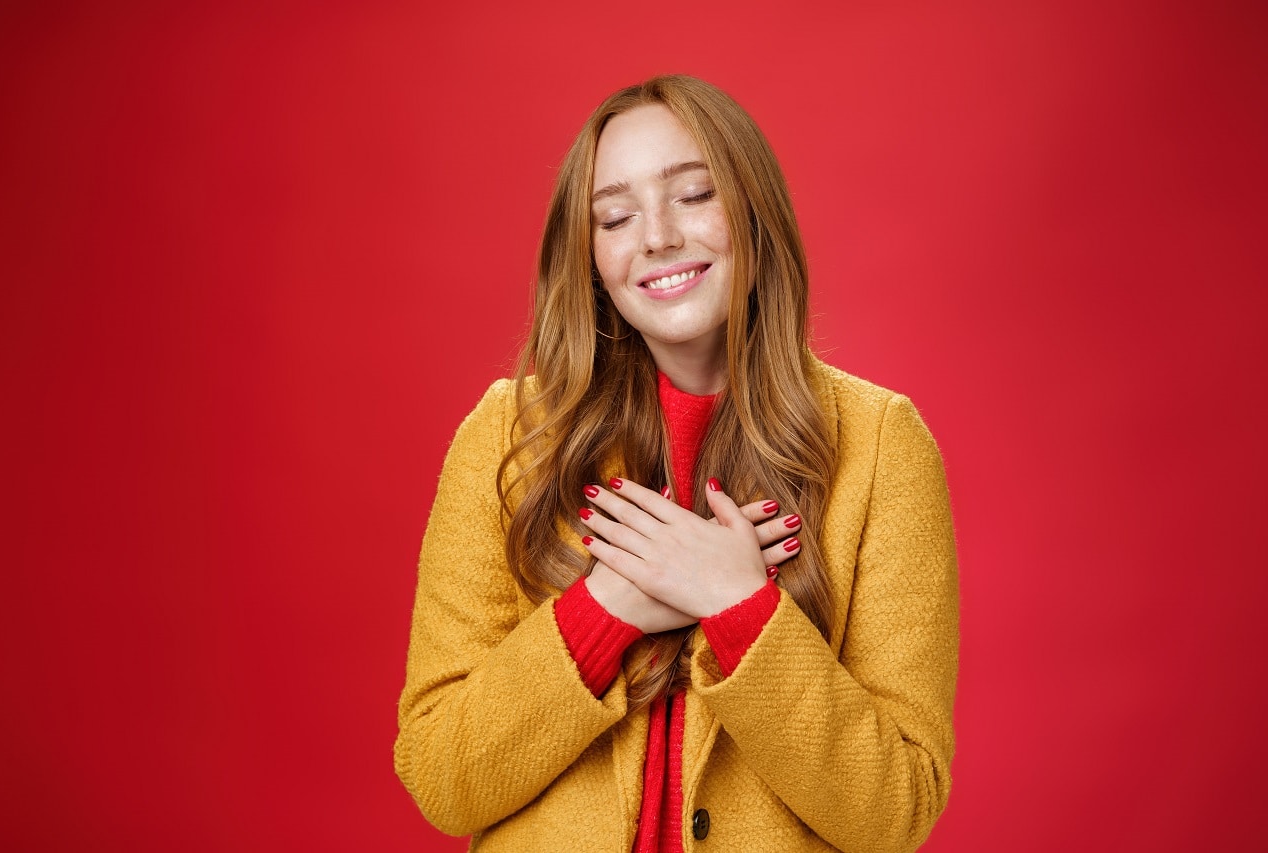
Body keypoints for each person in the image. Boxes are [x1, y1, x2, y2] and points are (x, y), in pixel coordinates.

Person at [394, 75, 959, 853]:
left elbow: (894, 809)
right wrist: (608, 608)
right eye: (616, 216)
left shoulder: (882, 444)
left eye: (693, 195)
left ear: (754, 212)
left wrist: (740, 607)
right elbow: (441, 773)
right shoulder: (507, 436)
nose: (656, 236)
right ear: (591, 257)